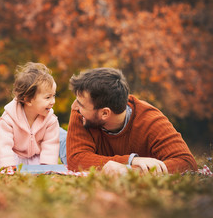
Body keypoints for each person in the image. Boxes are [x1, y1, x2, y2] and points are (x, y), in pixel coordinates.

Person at [66, 67, 197, 175]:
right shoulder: (81, 114)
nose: (74, 107)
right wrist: (131, 160)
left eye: (81, 104)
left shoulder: (150, 120)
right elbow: (75, 160)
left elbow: (186, 162)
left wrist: (130, 171)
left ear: (105, 113)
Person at [0, 62, 60, 169]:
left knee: (40, 163)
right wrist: (7, 165)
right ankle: (1, 162)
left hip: (34, 157)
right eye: (48, 97)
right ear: (28, 100)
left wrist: (48, 166)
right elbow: (4, 144)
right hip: (14, 155)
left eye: (53, 96)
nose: (53, 101)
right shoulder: (9, 118)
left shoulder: (50, 119)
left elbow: (51, 144)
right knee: (0, 161)